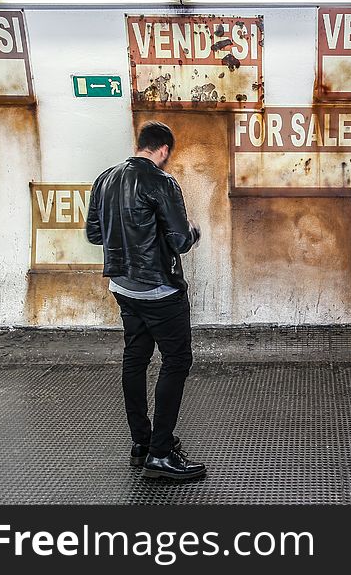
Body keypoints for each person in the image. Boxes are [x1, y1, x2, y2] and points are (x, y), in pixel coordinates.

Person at [86, 121, 205, 480]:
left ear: (140, 144)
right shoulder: (161, 182)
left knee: (135, 359)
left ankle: (141, 442)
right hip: (158, 290)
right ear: (164, 150)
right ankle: (161, 452)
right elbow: (181, 240)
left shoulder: (105, 178)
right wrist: (194, 233)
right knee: (177, 360)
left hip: (122, 287)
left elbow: (94, 234)